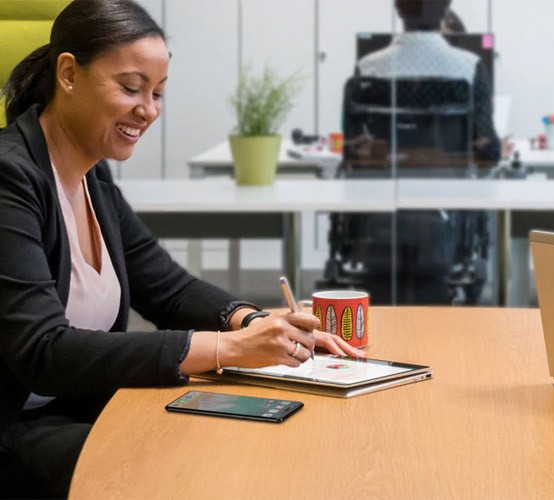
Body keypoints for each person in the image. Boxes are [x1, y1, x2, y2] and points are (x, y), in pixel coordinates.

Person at [0, 1, 363, 497]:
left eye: (157, 93)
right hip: (16, 429)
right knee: (186, 469)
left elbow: (166, 289)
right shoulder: (10, 177)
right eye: (130, 88)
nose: (148, 110)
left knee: (246, 440)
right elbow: (43, 350)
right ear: (68, 73)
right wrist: (228, 349)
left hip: (80, 407)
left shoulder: (91, 175)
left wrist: (255, 323)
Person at [355, 0, 508, 162]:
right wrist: (496, 147)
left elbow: (355, 147)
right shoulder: (471, 68)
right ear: (446, 11)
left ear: (398, 10)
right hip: (452, 182)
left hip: (383, 182)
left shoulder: (366, 67)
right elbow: (488, 150)